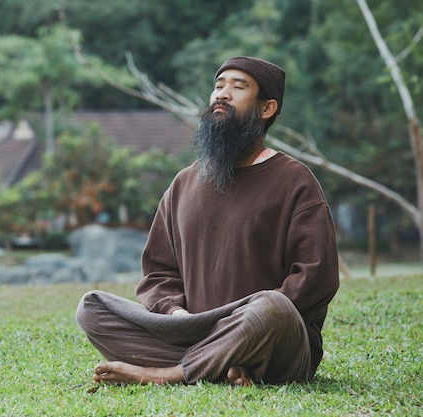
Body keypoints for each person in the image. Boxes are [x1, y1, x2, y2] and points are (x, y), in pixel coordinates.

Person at [75, 56, 340, 387]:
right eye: (218, 86)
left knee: (272, 306)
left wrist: (238, 322)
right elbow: (158, 272)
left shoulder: (295, 180)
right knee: (93, 308)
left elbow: (316, 277)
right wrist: (176, 314)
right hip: (192, 330)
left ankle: (170, 374)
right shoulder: (184, 183)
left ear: (267, 108)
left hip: (272, 339)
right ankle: (223, 366)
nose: (222, 94)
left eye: (238, 87)